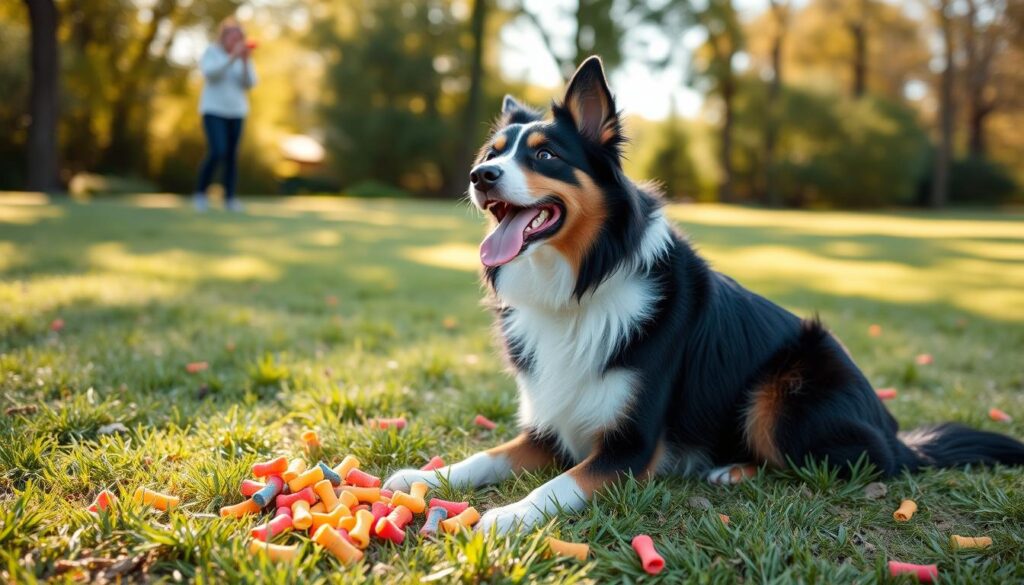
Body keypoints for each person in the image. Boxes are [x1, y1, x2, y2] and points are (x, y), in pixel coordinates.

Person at [193, 17, 257, 212]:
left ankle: (229, 198)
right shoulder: (212, 53)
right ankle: (201, 194)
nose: (236, 42)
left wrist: (245, 62)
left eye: (239, 38)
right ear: (224, 37)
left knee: (231, 156)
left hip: (236, 112)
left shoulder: (244, 58)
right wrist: (232, 59)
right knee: (218, 150)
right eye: (233, 37)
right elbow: (211, 74)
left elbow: (250, 84)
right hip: (213, 110)